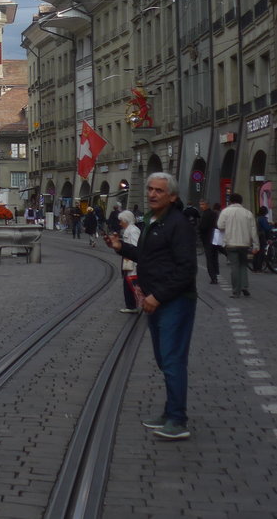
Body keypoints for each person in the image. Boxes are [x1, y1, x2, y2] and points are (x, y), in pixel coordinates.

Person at [104, 172, 197, 441]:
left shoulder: (178, 224)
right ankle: (170, 412)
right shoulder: (153, 222)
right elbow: (147, 257)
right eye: (150, 189)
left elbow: (187, 269)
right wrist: (121, 247)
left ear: (172, 196)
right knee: (164, 359)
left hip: (174, 301)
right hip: (155, 300)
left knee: (172, 359)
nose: (152, 194)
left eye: (159, 190)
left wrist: (158, 296)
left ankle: (178, 419)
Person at [217, 193, 257, 298]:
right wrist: (256, 245)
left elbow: (220, 226)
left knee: (234, 266)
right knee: (243, 265)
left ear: (230, 201)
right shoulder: (248, 213)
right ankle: (244, 286)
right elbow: (253, 230)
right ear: (241, 201)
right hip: (244, 244)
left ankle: (236, 291)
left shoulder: (225, 212)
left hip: (231, 243)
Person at [117, 210, 141, 313]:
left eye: (121, 221)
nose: (120, 223)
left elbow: (135, 247)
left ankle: (133, 305)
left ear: (126, 220)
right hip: (128, 260)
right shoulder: (129, 229)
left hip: (131, 261)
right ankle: (131, 305)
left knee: (131, 282)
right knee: (127, 282)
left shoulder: (133, 230)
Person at [197, 198, 221, 285]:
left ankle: (213, 277)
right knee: (214, 257)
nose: (201, 206)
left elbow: (203, 227)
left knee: (209, 259)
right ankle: (216, 273)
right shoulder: (214, 214)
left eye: (203, 204)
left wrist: (199, 230)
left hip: (207, 238)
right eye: (200, 204)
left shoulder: (205, 214)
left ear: (207, 205)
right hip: (215, 238)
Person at [251, 206, 272, 273]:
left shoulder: (256, 218)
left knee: (256, 252)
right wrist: (272, 225)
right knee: (261, 252)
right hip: (261, 236)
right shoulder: (262, 219)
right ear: (265, 212)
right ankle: (259, 267)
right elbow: (267, 228)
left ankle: (255, 268)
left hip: (255, 236)